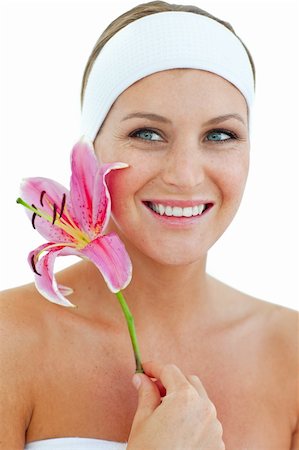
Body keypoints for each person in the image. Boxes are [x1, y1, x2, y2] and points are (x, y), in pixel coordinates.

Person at [0, 1, 298, 449]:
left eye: (220, 136)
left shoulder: (290, 352)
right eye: (147, 134)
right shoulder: (10, 339)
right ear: (92, 150)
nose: (185, 174)